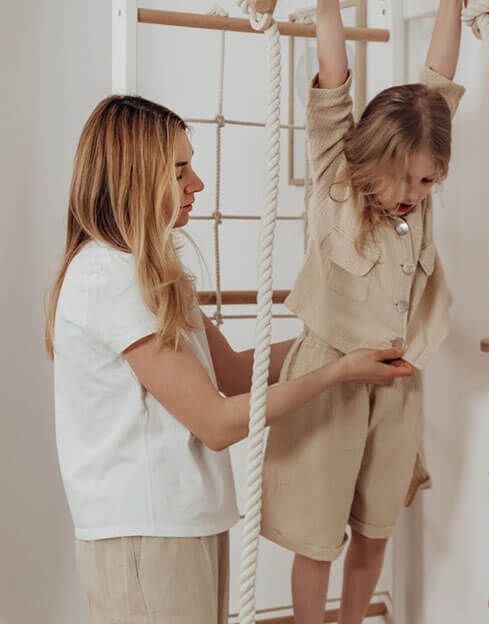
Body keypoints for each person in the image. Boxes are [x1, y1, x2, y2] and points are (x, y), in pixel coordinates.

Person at [46, 94, 412, 624]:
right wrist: (337, 373)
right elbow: (216, 423)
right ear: (134, 179)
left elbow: (236, 374)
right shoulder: (111, 278)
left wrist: (335, 346)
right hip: (146, 533)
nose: (197, 184)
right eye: (180, 170)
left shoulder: (152, 272)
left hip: (187, 522)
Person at [261, 0, 482, 624]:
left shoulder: (417, 197)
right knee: (318, 531)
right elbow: (334, 72)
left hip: (396, 374)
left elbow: (436, 85)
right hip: (331, 370)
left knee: (375, 527)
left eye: (427, 180)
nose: (413, 192)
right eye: (403, 177)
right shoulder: (336, 173)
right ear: (369, 157)